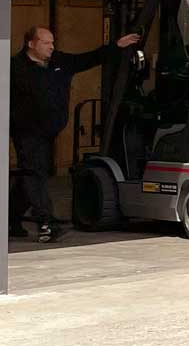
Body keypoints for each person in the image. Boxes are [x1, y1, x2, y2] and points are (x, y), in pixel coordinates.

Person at [9, 25, 140, 242]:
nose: (51, 47)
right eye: (46, 43)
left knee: (33, 173)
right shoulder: (15, 68)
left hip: (50, 130)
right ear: (31, 44)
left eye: (52, 42)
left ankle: (10, 217)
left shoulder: (59, 61)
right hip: (27, 131)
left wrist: (116, 46)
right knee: (34, 173)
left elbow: (87, 59)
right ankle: (46, 223)